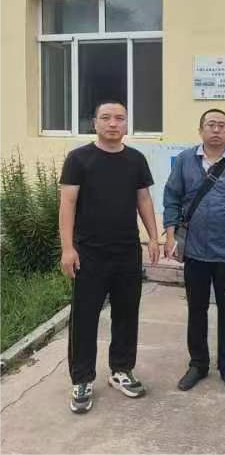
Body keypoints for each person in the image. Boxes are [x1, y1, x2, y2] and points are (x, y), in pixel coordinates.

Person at [59, 100, 160, 414]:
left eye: (119, 118)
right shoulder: (79, 159)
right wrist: (67, 248)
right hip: (89, 253)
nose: (113, 123)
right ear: (95, 123)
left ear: (127, 124)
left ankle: (121, 370)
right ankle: (82, 379)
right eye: (106, 118)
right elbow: (67, 204)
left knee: (127, 314)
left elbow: (144, 199)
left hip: (127, 251)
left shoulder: (136, 160)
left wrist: (153, 236)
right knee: (85, 317)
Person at [163, 109, 225, 395]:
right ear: (200, 129)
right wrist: (170, 237)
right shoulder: (185, 160)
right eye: (211, 125)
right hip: (194, 252)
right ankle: (198, 364)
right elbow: (172, 198)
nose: (216, 130)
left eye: (221, 125)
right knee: (197, 310)